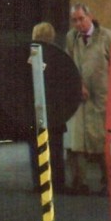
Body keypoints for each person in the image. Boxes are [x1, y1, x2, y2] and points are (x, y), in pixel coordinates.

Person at [64, 3, 111, 194]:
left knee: (102, 141)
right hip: (80, 97)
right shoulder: (71, 38)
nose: (78, 24)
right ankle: (79, 182)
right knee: (77, 142)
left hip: (102, 96)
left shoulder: (107, 37)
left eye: (81, 19)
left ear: (90, 17)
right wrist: (77, 85)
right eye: (74, 20)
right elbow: (68, 64)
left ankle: (107, 183)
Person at [29, 21, 65, 192]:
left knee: (35, 148)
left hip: (33, 111)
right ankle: (57, 183)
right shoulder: (57, 55)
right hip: (55, 110)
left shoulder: (30, 54)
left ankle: (39, 182)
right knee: (55, 149)